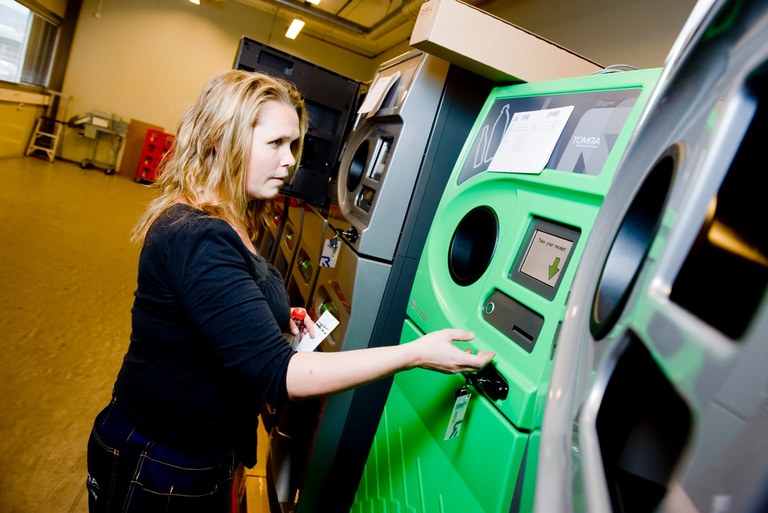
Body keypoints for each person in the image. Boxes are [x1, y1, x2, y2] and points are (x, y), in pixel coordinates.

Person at [85, 69, 495, 513]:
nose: (290, 161)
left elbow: (220, 315)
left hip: (201, 452)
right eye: (276, 144)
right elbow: (282, 376)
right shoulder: (197, 235)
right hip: (163, 462)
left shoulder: (233, 216)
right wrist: (413, 353)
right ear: (224, 139)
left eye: (294, 145)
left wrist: (273, 319)